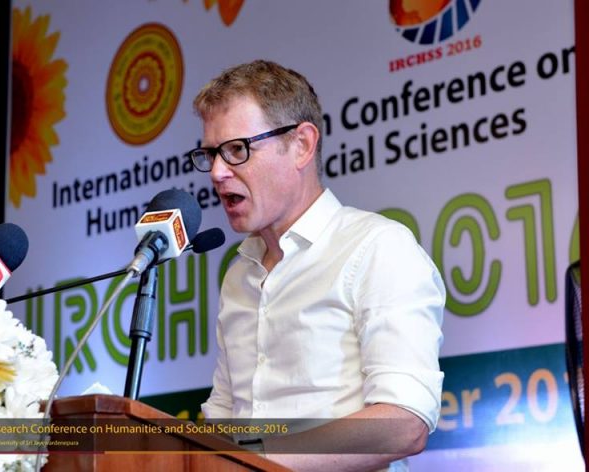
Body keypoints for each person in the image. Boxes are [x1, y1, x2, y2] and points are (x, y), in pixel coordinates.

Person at [186, 60, 445, 471]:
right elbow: (223, 417)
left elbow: (404, 423)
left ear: (302, 145)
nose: (217, 173)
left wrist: (258, 460)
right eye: (210, 154)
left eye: (237, 150)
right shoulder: (239, 276)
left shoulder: (377, 248)